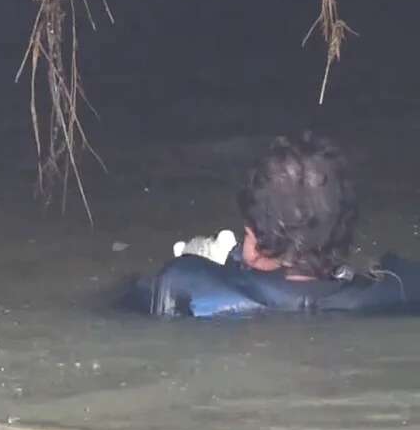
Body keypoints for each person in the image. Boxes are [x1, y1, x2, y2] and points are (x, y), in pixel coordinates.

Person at [127, 132, 420, 317]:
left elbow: (106, 307)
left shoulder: (186, 285)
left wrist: (209, 265)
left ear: (256, 241)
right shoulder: (399, 287)